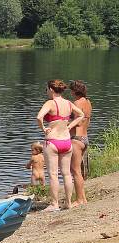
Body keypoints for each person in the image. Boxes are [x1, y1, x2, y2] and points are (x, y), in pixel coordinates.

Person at [35, 79, 85, 211]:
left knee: (53, 174)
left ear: (51, 90)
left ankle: (54, 204)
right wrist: (69, 126)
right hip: (66, 142)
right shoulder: (68, 103)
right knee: (67, 174)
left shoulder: (50, 103)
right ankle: (68, 203)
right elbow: (81, 115)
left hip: (53, 142)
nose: (46, 92)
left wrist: (43, 128)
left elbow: (39, 117)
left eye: (46, 89)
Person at [69, 80, 92, 207]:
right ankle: (83, 198)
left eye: (71, 91)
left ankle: (78, 200)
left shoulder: (76, 103)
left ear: (74, 91)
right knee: (80, 171)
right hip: (85, 138)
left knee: (75, 170)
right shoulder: (88, 102)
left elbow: (75, 122)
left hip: (76, 139)